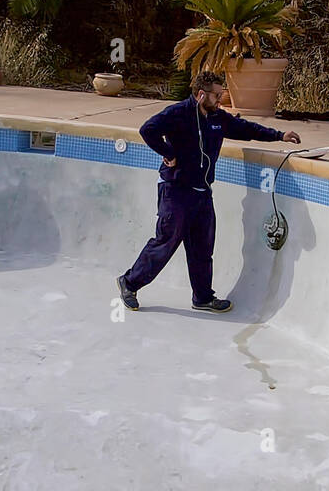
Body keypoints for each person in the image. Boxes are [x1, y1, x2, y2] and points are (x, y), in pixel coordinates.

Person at [117, 70, 302, 313]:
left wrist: (279, 135)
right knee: (166, 242)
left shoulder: (217, 118)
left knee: (202, 248)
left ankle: (203, 297)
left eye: (222, 94)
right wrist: (168, 152)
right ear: (201, 94)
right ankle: (129, 283)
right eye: (216, 95)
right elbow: (147, 129)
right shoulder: (178, 113)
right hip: (177, 190)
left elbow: (245, 128)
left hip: (202, 193)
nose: (220, 99)